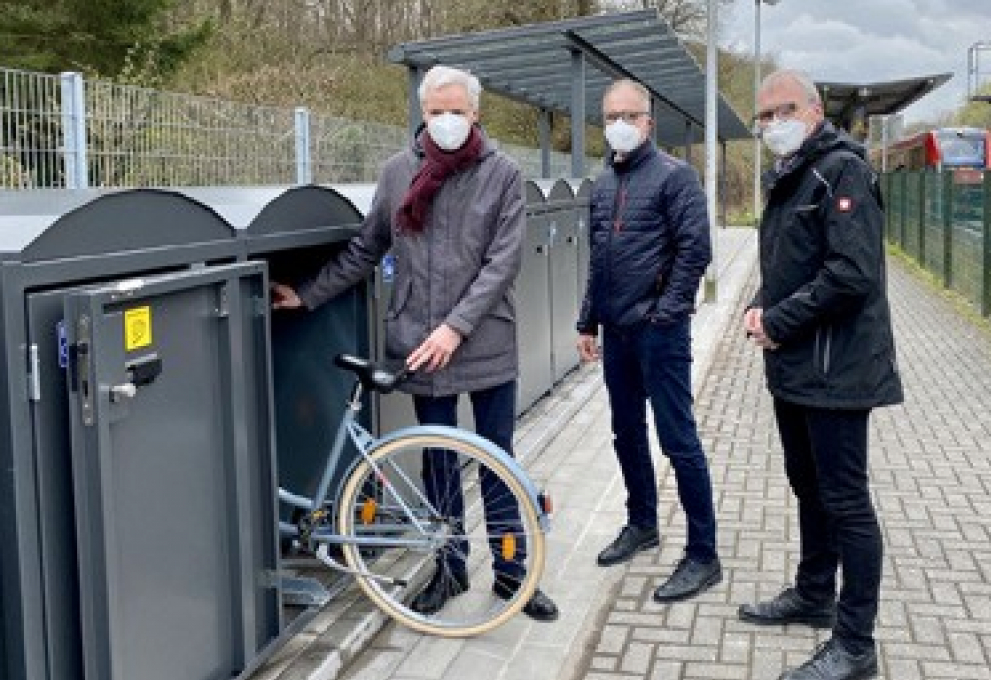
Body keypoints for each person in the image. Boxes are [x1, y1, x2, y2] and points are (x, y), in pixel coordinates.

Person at [271, 65, 558, 623]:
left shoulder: (502, 174)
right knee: (439, 462)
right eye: (435, 111)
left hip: (484, 341)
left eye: (456, 110)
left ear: (476, 114)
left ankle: (512, 572)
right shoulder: (398, 172)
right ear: (422, 112)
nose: (445, 120)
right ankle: (449, 568)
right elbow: (364, 250)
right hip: (419, 345)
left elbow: (503, 263)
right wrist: (305, 296)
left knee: (498, 458)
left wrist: (456, 327)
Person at [738, 68, 903, 680]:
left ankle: (856, 643)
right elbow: (788, 264)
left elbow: (851, 273)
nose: (771, 124)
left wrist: (777, 319)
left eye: (782, 110)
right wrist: (760, 305)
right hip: (796, 366)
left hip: (838, 369)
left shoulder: (843, 171)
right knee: (808, 488)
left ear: (812, 110)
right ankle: (813, 595)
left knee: (846, 501)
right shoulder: (792, 174)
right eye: (763, 115)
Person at [576, 78, 720, 603]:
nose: (619, 124)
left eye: (629, 115)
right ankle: (642, 523)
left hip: (660, 334)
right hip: (616, 334)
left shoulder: (676, 177)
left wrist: (665, 314)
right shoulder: (603, 182)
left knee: (678, 439)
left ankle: (703, 555)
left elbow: (694, 251)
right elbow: (599, 258)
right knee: (625, 433)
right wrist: (586, 321)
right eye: (611, 115)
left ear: (648, 122)